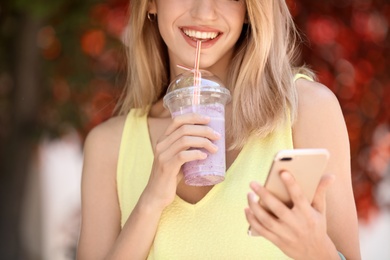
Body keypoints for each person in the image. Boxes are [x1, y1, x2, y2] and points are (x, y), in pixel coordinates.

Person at [77, 0, 361, 259]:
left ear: (250, 10)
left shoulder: (306, 110)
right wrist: (150, 203)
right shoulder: (109, 145)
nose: (204, 12)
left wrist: (317, 251)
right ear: (151, 4)